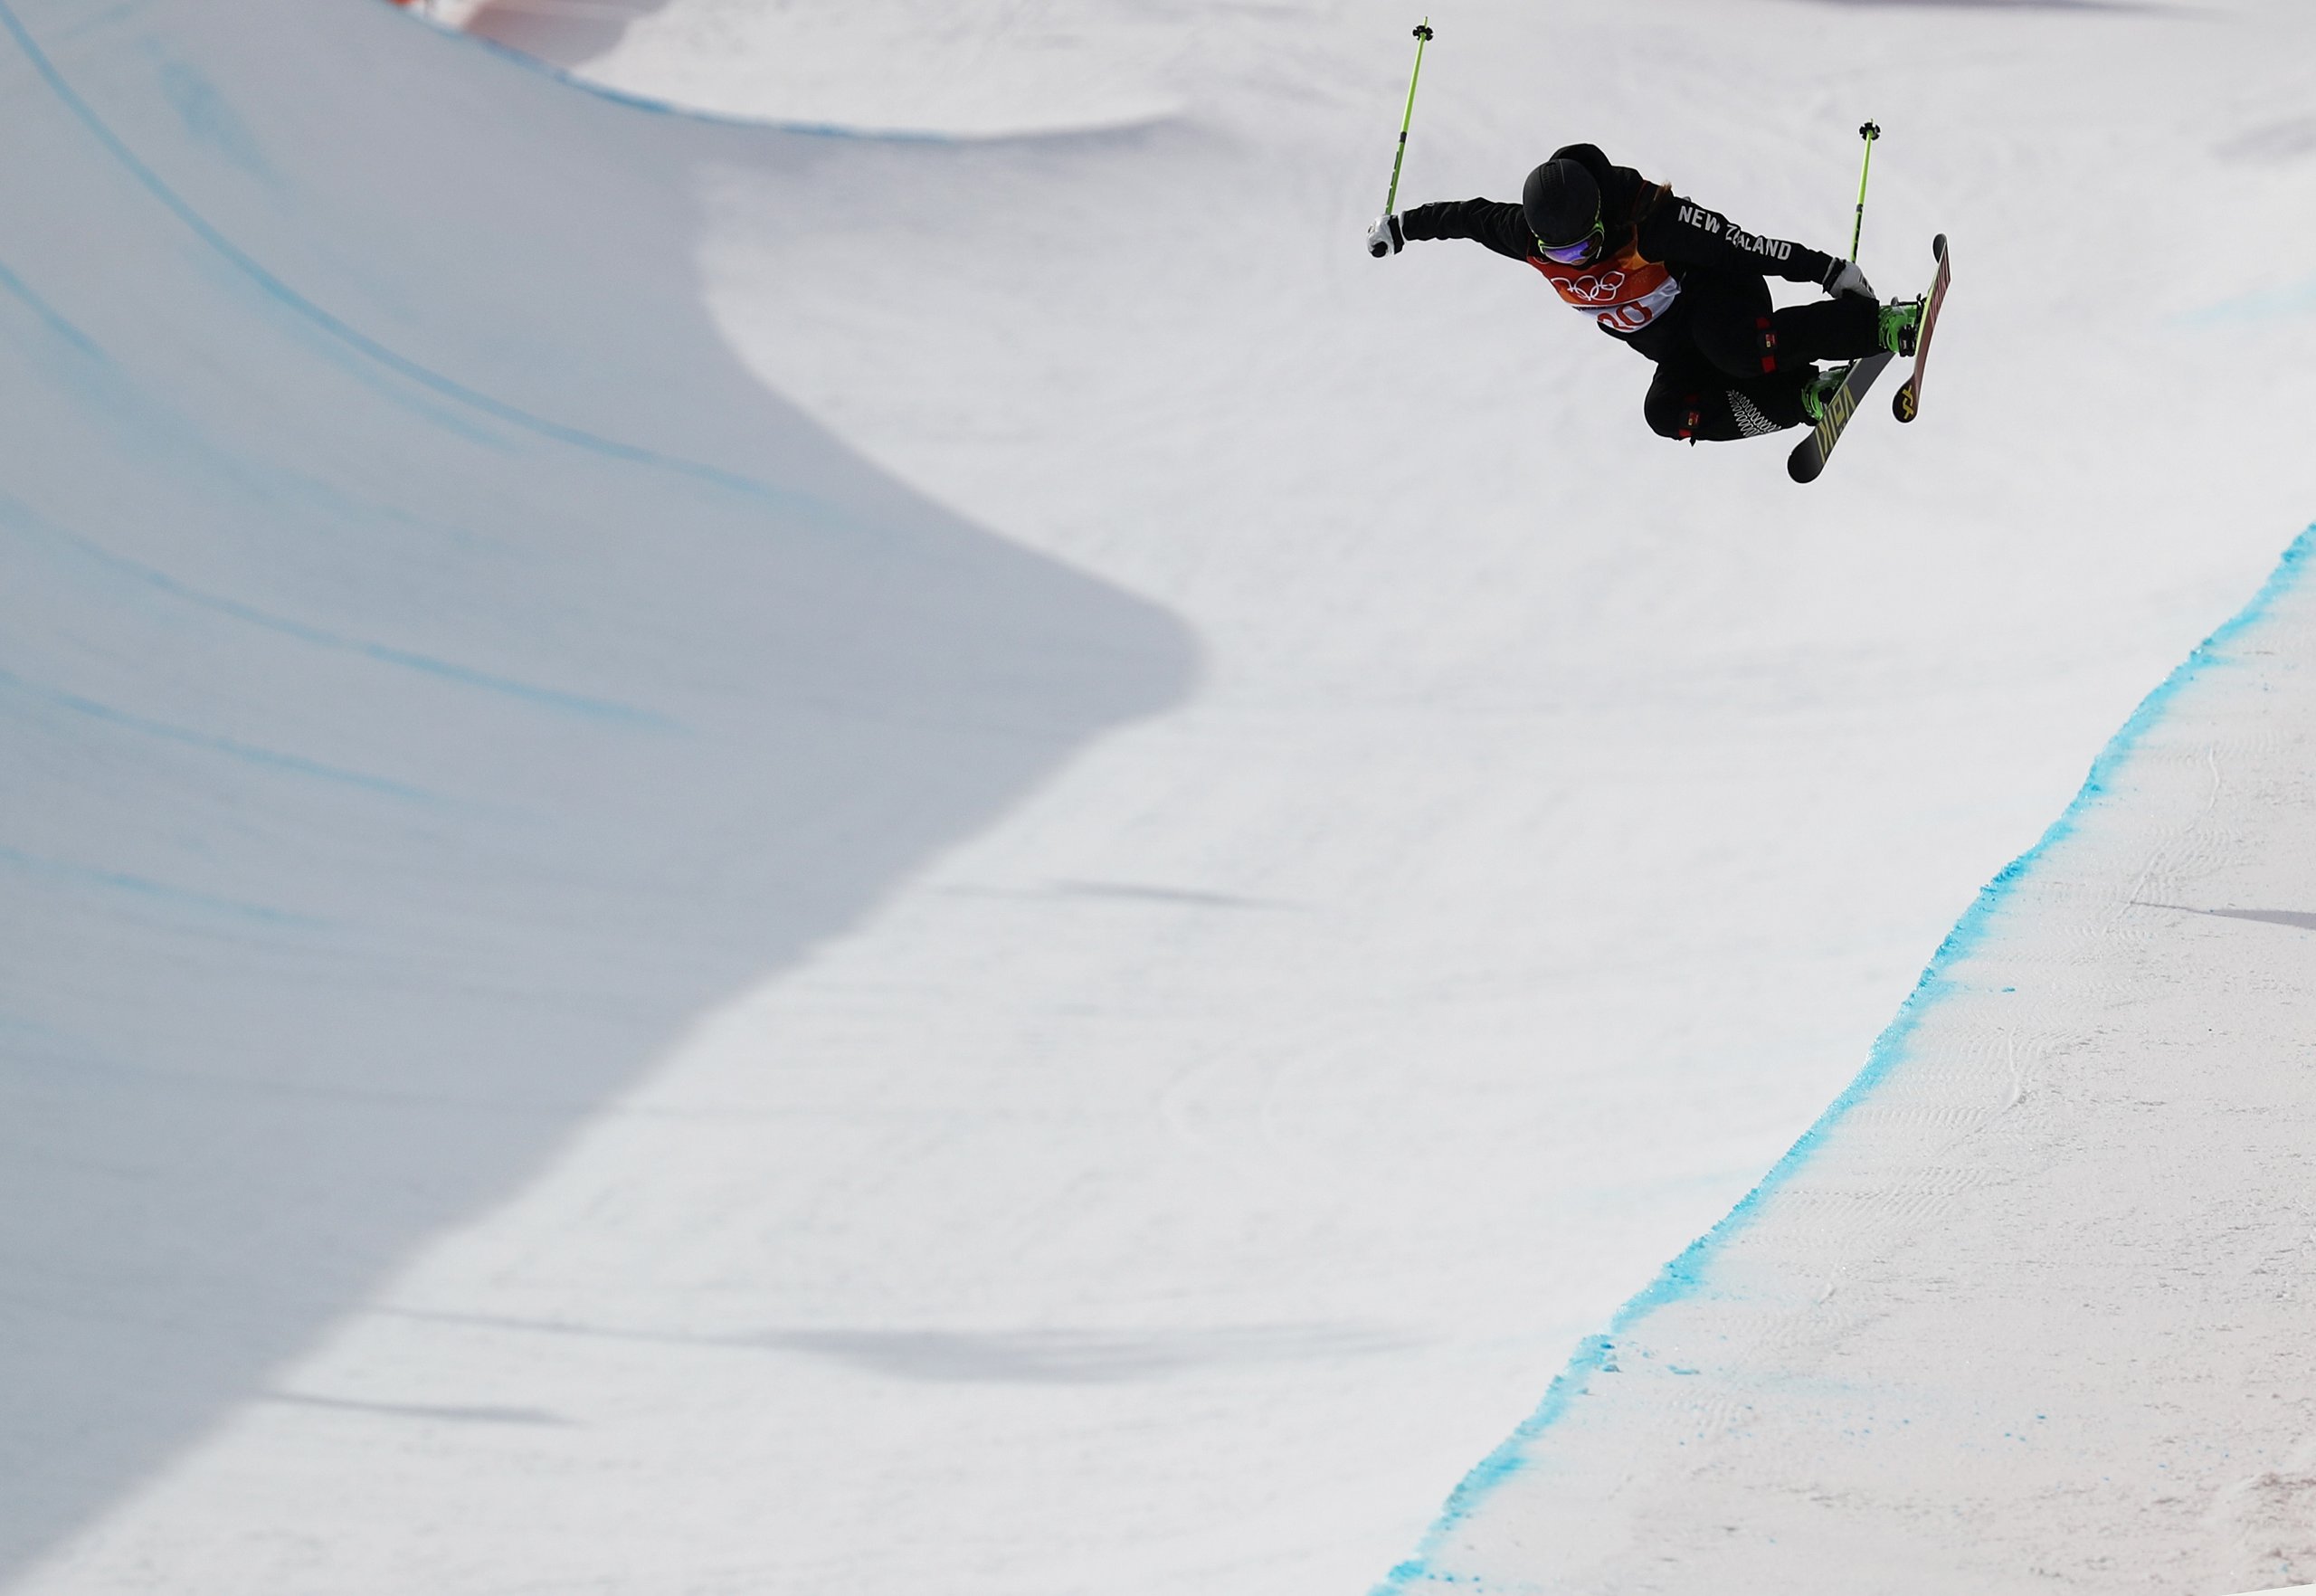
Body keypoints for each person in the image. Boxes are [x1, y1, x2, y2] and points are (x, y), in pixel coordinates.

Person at [1367, 143, 1921, 443]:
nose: (1574, 262)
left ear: (1601, 221)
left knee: (1738, 350)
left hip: (1716, 298)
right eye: (1559, 255)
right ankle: (1803, 396)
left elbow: (1744, 246)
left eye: (1584, 247)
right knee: (1668, 414)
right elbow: (1465, 217)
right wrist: (1401, 228)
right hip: (1676, 346)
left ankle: (1879, 324)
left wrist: (1827, 270)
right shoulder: (1526, 237)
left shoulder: (1650, 220)